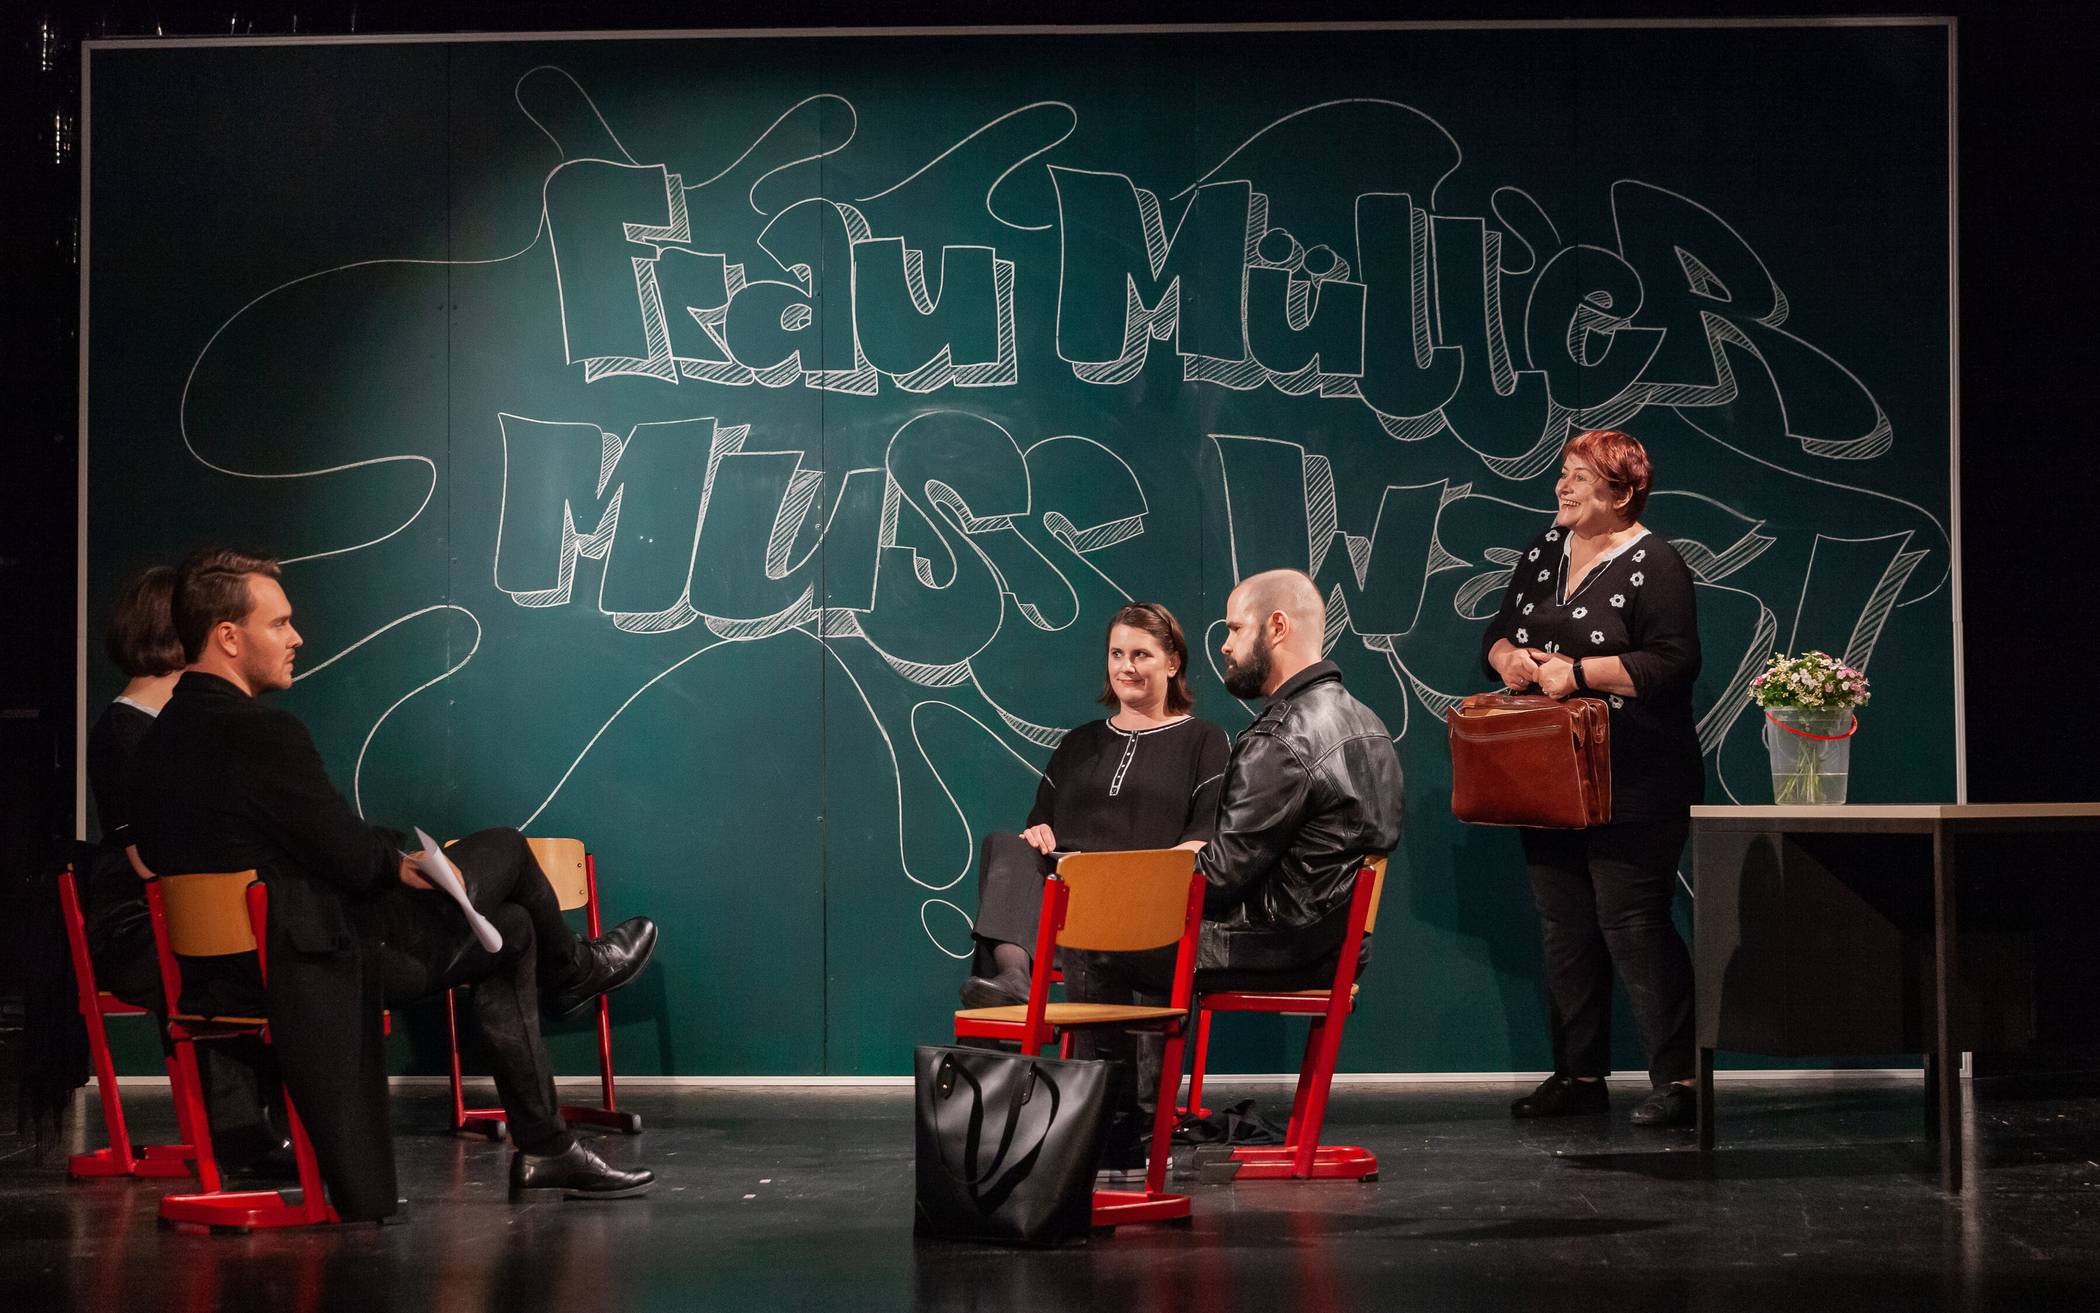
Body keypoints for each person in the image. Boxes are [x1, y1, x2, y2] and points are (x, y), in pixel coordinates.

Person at [130, 548, 661, 1220]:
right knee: (506, 845)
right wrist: (394, 862)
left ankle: (548, 1138)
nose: (297, 638)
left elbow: (281, 838)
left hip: (216, 975)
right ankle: (575, 975)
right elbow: (349, 859)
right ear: (228, 636)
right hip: (309, 969)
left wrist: (386, 856)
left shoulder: (157, 744)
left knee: (513, 930)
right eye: (280, 623)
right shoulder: (262, 734)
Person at [1063, 569, 1403, 1163]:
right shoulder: (1368, 722)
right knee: (1125, 931)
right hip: (1335, 940)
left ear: (1277, 627)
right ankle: (1135, 1122)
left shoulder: (1283, 736)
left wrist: (1127, 893)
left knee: (1099, 941)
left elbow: (1219, 879)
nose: (1223, 644)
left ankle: (1116, 1137)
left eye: (1235, 628)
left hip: (1281, 942)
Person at [1481, 429, 1704, 1128]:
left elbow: (1673, 663)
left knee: (1633, 923)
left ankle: (1680, 1080)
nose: (1562, 485)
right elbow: (1497, 632)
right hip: (1549, 775)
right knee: (1565, 927)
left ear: (1623, 492)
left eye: (1579, 477)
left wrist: (1576, 673)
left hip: (1637, 779)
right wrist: (1508, 660)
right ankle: (1579, 1076)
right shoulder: (1544, 549)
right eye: (1563, 472)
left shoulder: (1656, 563)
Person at [82, 566, 289, 1176]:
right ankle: (242, 1138)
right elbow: (145, 858)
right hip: (138, 926)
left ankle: (284, 1133)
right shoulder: (125, 730)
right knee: (215, 963)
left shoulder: (187, 722)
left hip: (191, 911)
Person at [959, 602, 1229, 1008]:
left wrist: (1150, 878)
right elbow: (1040, 824)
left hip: (1145, 906)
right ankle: (1014, 977)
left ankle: (1016, 1000)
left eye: (1141, 654)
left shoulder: (1204, 740)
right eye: (1117, 654)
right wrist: (1039, 832)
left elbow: (1204, 835)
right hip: (1068, 901)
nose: (1126, 667)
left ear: (1172, 663)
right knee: (1005, 845)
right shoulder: (1079, 743)